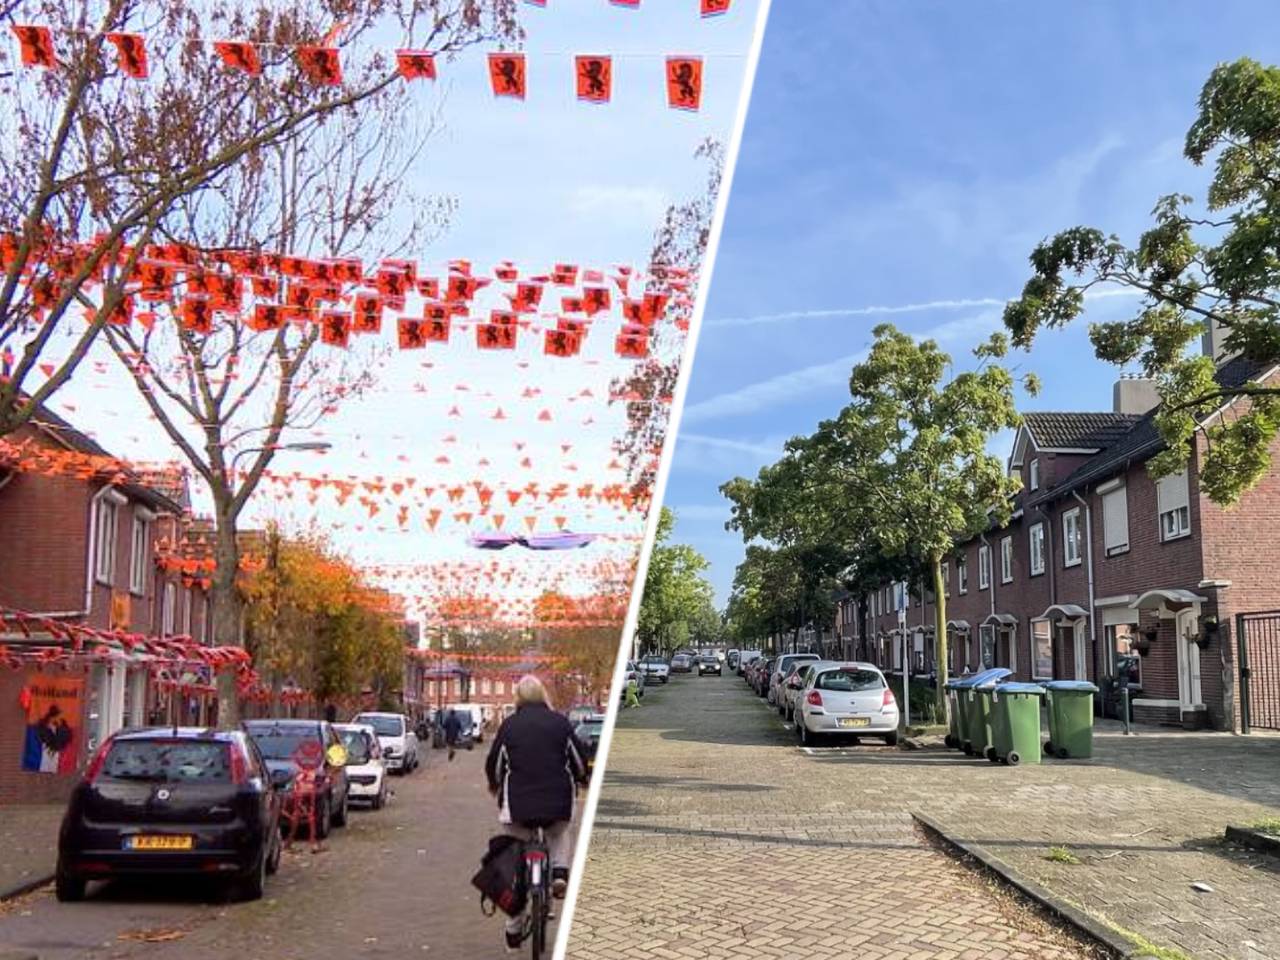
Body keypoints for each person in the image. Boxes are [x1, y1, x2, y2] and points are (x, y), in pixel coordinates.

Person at [485, 675, 589, 952]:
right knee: (560, 833)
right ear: (543, 694)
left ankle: (513, 929)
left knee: (516, 862)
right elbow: (578, 762)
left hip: (518, 808)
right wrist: (583, 778)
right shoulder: (560, 723)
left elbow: (494, 765)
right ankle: (558, 873)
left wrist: (495, 786)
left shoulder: (509, 727)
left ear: (518, 697)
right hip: (557, 803)